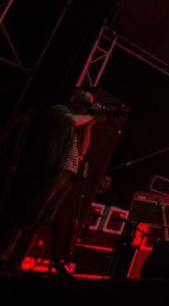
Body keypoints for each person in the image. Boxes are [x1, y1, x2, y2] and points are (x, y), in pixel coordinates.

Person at [1, 89, 104, 272]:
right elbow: (70, 120)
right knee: (26, 215)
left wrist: (90, 126)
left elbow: (82, 151)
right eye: (85, 103)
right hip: (50, 172)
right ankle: (3, 254)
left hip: (66, 176)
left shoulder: (77, 125)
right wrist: (91, 116)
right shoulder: (60, 111)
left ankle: (16, 261)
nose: (86, 107)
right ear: (73, 98)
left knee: (40, 221)